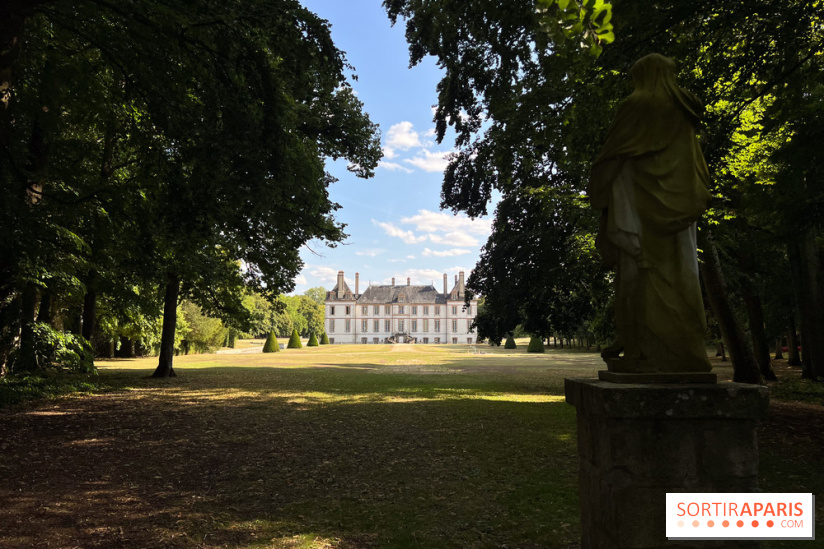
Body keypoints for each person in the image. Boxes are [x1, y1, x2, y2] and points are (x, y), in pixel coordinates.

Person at [589, 54, 712, 373]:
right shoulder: (685, 111)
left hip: (639, 213)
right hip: (680, 211)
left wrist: (601, 190)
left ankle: (640, 348)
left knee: (636, 277)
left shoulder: (638, 104)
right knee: (684, 274)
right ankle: (685, 350)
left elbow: (612, 157)